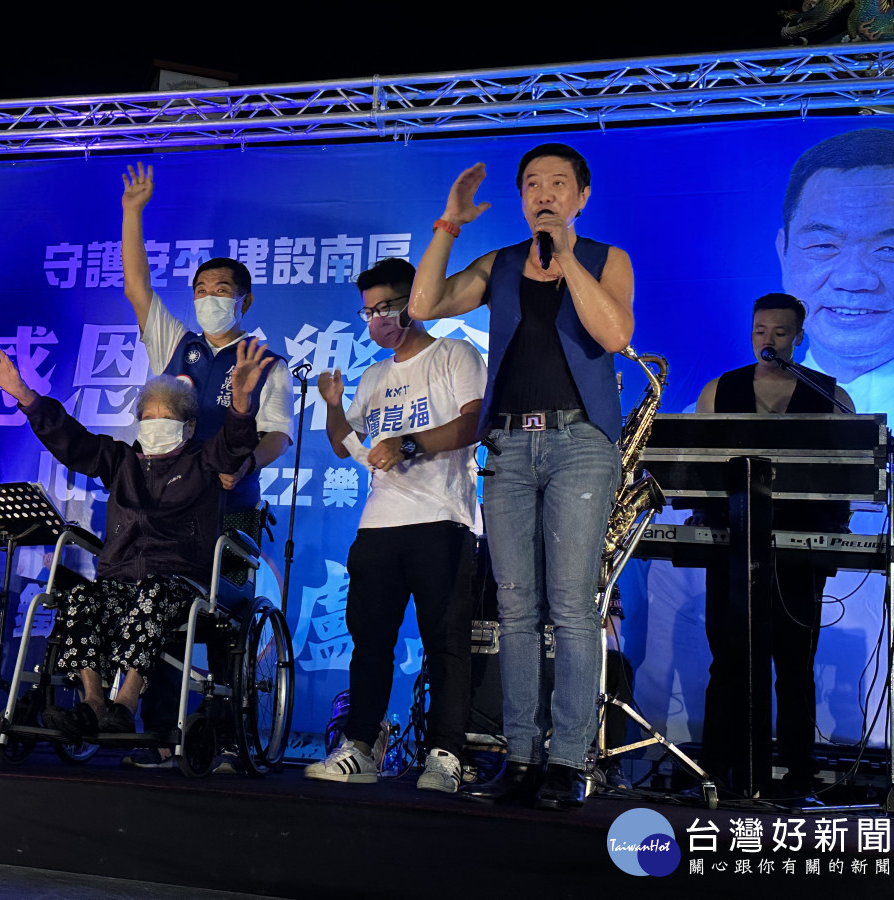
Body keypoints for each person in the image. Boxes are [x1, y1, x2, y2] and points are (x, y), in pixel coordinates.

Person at [408, 145, 634, 810]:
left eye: (559, 183)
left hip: (579, 444)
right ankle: (523, 757)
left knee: (571, 606)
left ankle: (568, 760)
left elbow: (615, 334)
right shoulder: (501, 262)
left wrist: (566, 257)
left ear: (582, 196)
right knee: (515, 608)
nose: (545, 193)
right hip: (508, 445)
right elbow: (424, 303)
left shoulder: (606, 259)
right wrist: (449, 224)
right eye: (533, 183)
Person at [0, 338, 270, 738]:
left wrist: (240, 405)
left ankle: (126, 703)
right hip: (119, 578)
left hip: (181, 581)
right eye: (148, 418)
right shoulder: (120, 461)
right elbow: (73, 442)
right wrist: (26, 396)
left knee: (153, 593)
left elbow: (235, 447)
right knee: (79, 597)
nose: (155, 425)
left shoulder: (203, 462)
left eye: (165, 418)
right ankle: (93, 703)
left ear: (188, 427)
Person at [120, 163, 294, 763]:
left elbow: (277, 436)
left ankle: (222, 736)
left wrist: (245, 467)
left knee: (226, 622)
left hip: (231, 507)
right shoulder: (176, 344)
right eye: (200, 290)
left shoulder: (267, 362)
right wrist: (133, 211)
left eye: (221, 290)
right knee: (160, 610)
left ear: (245, 299)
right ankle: (158, 736)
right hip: (170, 505)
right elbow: (137, 288)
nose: (208, 298)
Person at [302, 258, 484, 794]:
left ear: (413, 303)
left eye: (385, 307)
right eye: (368, 312)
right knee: (370, 642)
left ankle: (446, 753)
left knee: (446, 643)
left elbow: (474, 422)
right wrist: (333, 405)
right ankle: (361, 746)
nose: (376, 320)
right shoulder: (375, 376)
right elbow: (345, 445)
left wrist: (409, 443)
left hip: (442, 520)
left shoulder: (454, 354)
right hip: (379, 525)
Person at [694, 293, 853, 796]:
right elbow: (698, 464)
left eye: (780, 333)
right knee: (729, 660)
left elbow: (849, 472)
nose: (769, 340)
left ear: (799, 337)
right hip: (733, 544)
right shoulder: (720, 389)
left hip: (798, 552)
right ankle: (719, 772)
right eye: (760, 330)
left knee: (794, 664)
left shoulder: (829, 393)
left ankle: (799, 775)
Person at [777, 127, 894, 439]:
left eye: (890, 249)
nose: (853, 279)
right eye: (824, 245)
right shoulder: (721, 411)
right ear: (783, 254)